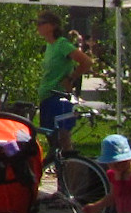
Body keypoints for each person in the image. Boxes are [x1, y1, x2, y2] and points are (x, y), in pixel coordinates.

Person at [34, 11, 94, 153]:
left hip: (58, 97)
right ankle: (59, 164)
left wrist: (71, 78)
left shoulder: (62, 44)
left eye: (41, 23)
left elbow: (86, 62)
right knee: (51, 140)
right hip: (47, 97)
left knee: (62, 140)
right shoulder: (50, 45)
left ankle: (69, 164)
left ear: (53, 26)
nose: (38, 26)